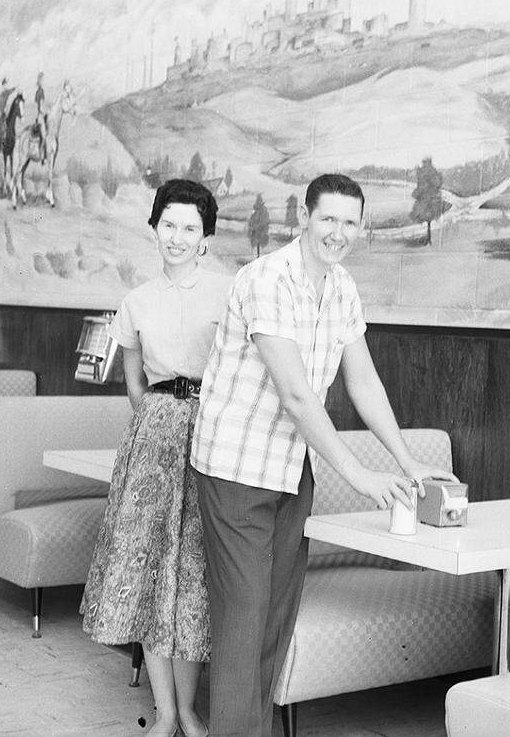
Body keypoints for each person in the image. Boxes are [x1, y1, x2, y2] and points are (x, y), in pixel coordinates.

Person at [190, 173, 458, 736]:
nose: (338, 232)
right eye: (328, 218)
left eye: (350, 221)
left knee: (274, 623)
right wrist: (359, 474)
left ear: (361, 227)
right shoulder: (264, 278)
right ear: (305, 219)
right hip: (237, 467)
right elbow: (294, 393)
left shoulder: (341, 288)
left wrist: (407, 461)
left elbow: (364, 383)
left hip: (293, 468)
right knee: (242, 624)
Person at [81, 179, 233, 737]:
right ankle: (166, 712)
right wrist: (161, 424)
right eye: (168, 224)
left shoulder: (228, 292)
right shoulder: (136, 301)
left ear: (206, 238)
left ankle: (190, 711)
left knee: (191, 575)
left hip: (212, 436)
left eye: (190, 227)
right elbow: (134, 384)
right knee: (150, 574)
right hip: (153, 439)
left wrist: (198, 418)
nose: (177, 236)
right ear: (154, 228)